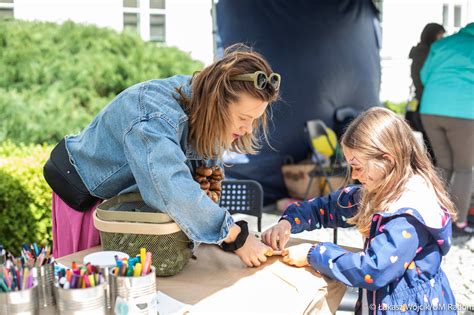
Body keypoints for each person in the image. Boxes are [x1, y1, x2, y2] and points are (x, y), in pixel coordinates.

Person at [43, 43, 279, 267]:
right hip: (86, 198)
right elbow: (171, 189)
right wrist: (235, 236)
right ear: (217, 103)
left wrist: (216, 228)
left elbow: (204, 183)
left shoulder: (204, 106)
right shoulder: (153, 117)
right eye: (243, 118)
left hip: (123, 206)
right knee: (95, 290)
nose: (248, 129)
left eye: (254, 120)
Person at [262, 107, 457, 313]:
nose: (354, 175)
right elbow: (327, 208)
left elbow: (374, 269)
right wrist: (288, 222)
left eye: (358, 166)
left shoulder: (408, 213)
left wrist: (313, 254)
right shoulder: (380, 189)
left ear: (387, 160)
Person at [420, 22, 474, 238]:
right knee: (463, 168)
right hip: (463, 111)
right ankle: (458, 223)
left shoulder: (444, 44)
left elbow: (425, 76)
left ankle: (433, 217)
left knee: (444, 164)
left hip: (431, 109)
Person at [407, 23, 445, 162]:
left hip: (423, 102)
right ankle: (434, 176)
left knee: (431, 146)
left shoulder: (422, 52)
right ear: (433, 35)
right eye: (441, 35)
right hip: (427, 103)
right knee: (433, 148)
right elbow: (421, 79)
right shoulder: (427, 53)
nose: (443, 39)